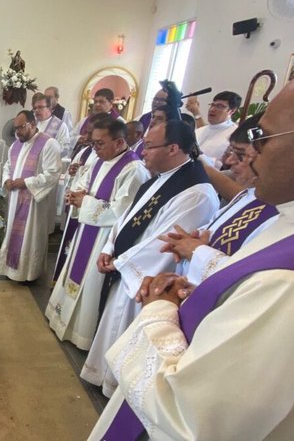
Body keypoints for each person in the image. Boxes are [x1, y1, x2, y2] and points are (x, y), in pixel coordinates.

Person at [90, 59, 294, 441]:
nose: (244, 158)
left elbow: (190, 418)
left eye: (263, 137)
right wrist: (213, 299)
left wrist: (159, 310)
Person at [80, 120, 218, 397]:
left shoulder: (197, 193)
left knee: (127, 336)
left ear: (174, 148)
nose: (142, 151)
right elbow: (126, 218)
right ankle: (105, 376)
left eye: (149, 146)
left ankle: (120, 389)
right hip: (126, 268)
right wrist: (109, 247)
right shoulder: (159, 178)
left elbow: (165, 244)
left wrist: (120, 262)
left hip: (147, 282)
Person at [46, 119, 149, 349]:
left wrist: (86, 201)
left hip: (103, 239)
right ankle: (62, 320)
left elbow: (121, 213)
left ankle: (81, 334)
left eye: (100, 144)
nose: (95, 149)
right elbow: (85, 185)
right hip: (86, 230)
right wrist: (76, 195)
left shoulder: (133, 170)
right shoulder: (101, 160)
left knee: (90, 285)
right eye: (93, 144)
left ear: (120, 142)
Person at [164, 113, 278, 286]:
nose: (230, 161)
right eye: (231, 152)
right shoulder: (250, 196)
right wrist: (192, 241)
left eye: (240, 154)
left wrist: (197, 252)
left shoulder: (283, 215)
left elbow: (254, 282)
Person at [0, 110, 62, 282]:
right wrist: (7, 181)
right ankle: (11, 270)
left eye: (21, 127)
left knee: (30, 237)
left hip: (34, 203)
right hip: (15, 200)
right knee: (13, 232)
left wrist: (26, 183)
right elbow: (7, 166)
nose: (17, 132)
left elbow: (53, 173)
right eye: (16, 128)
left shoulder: (49, 144)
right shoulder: (16, 145)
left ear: (33, 124)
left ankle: (29, 274)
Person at [52, 113, 111, 281]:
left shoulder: (107, 158)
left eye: (92, 135)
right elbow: (74, 175)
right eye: (88, 133)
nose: (87, 138)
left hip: (90, 213)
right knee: (70, 247)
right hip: (78, 209)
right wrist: (71, 172)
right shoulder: (85, 152)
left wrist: (83, 199)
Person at [186, 90, 241, 168]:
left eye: (219, 106)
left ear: (232, 111)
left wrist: (199, 156)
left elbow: (225, 167)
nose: (212, 109)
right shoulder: (199, 131)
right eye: (212, 105)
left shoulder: (235, 135)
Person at [32, 92, 72, 157]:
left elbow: (64, 149)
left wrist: (46, 151)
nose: (36, 110)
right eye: (35, 108)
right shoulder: (31, 124)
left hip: (49, 163)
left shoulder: (60, 126)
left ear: (49, 108)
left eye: (40, 107)